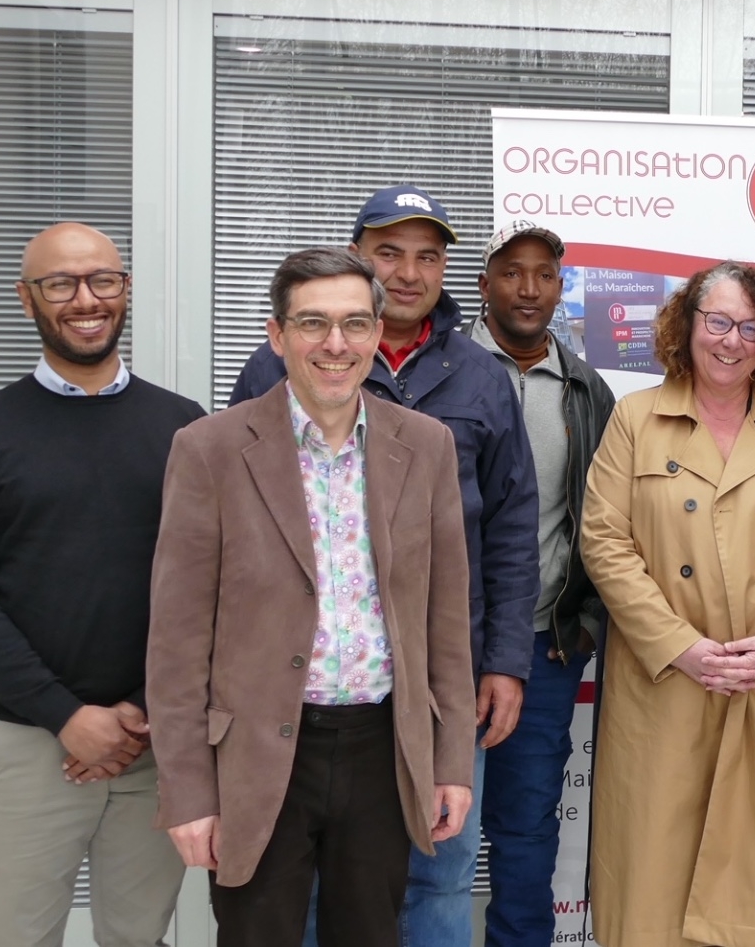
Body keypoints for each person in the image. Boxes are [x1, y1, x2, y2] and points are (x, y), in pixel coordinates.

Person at [229, 186, 539, 944]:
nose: (409, 272)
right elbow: (236, 524)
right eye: (390, 252)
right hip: (307, 685)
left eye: (428, 256)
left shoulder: (481, 378)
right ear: (358, 260)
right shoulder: (278, 369)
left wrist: (503, 661)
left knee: (439, 866)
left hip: (440, 675)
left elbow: (510, 529)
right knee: (296, 876)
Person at [146, 247, 477, 946]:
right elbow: (175, 643)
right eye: (314, 324)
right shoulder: (209, 450)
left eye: (356, 324)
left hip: (381, 751)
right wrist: (188, 794)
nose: (336, 344)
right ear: (277, 335)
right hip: (258, 757)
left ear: (376, 333)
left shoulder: (426, 447)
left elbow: (445, 623)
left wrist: (450, 762)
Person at [580, 261, 755, 947]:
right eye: (718, 322)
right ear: (687, 326)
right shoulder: (636, 417)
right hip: (669, 684)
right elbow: (604, 542)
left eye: (751, 327)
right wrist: (682, 647)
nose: (732, 341)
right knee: (653, 881)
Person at [0, 222, 202, 946]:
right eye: (60, 284)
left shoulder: (184, 429)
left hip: (154, 740)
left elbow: (214, 591)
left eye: (102, 280)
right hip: (28, 740)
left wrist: (143, 709)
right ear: (26, 299)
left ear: (125, 289)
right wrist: (69, 716)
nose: (84, 299)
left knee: (138, 938)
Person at [471, 220, 616, 945]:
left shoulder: (588, 390)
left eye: (545, 274)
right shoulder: (443, 373)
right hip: (444, 649)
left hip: (541, 650)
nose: (529, 289)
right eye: (511, 271)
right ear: (482, 284)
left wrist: (583, 624)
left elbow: (608, 520)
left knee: (525, 833)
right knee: (425, 833)